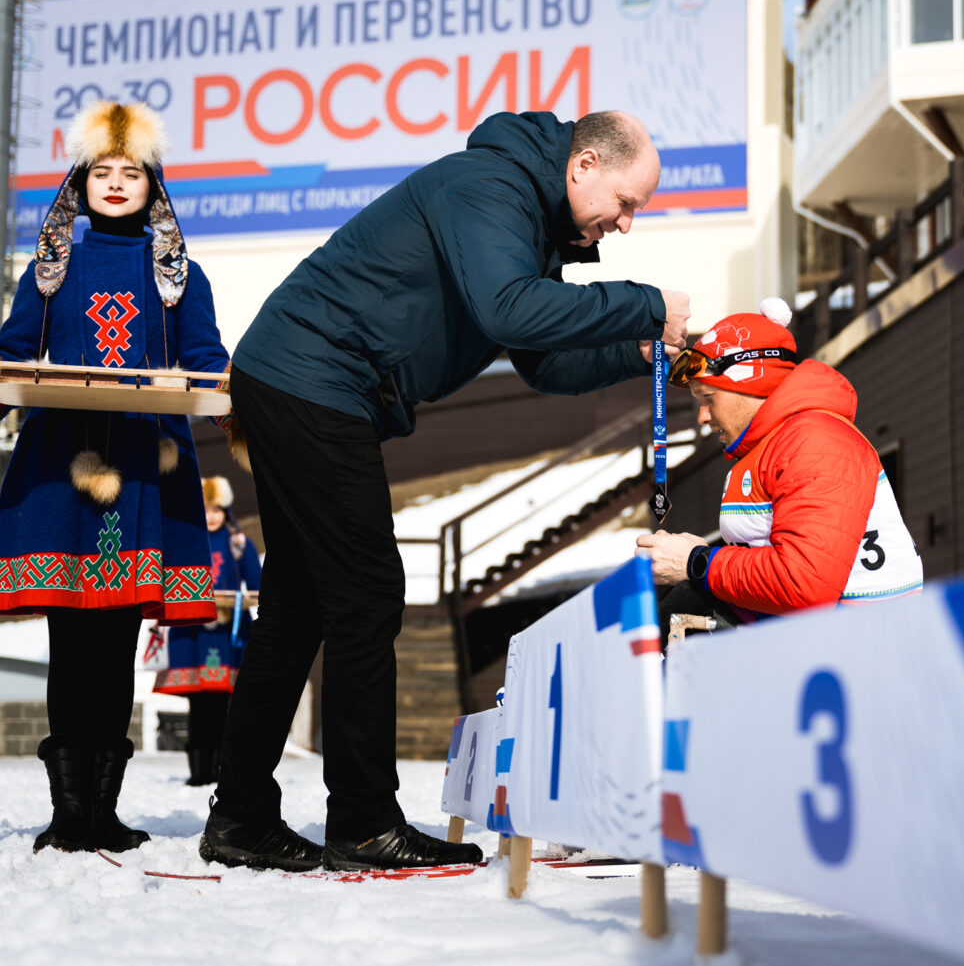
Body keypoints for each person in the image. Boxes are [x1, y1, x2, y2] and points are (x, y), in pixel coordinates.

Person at [201, 109, 691, 873]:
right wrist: (647, 302)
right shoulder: (491, 187)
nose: (626, 224)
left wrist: (637, 351)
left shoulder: (529, 221)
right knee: (366, 592)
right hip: (312, 377)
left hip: (300, 379)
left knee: (299, 607)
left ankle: (241, 816)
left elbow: (540, 359)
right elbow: (508, 307)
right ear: (585, 165)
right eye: (627, 203)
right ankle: (363, 822)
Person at [0, 100, 233, 853]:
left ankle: (104, 810)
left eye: (132, 171)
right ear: (81, 182)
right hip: (60, 468)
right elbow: (11, 351)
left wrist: (237, 388)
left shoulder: (182, 276)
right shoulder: (49, 270)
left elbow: (205, 358)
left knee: (117, 639)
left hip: (145, 466)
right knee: (71, 641)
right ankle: (70, 814)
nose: (117, 182)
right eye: (103, 171)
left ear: (153, 184)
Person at [637, 298, 923, 631]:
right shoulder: (777, 443)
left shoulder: (815, 442)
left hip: (858, 646)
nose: (702, 417)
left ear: (750, 383)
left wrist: (695, 561)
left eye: (708, 398)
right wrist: (697, 556)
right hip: (829, 639)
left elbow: (805, 583)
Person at [151, 475, 260, 787]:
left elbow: (256, 583)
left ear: (225, 510)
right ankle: (199, 771)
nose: (211, 516)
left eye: (216, 509)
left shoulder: (239, 543)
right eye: (205, 509)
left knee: (224, 705)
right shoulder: (185, 539)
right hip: (191, 631)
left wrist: (238, 600)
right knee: (198, 703)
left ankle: (223, 770)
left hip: (227, 634)